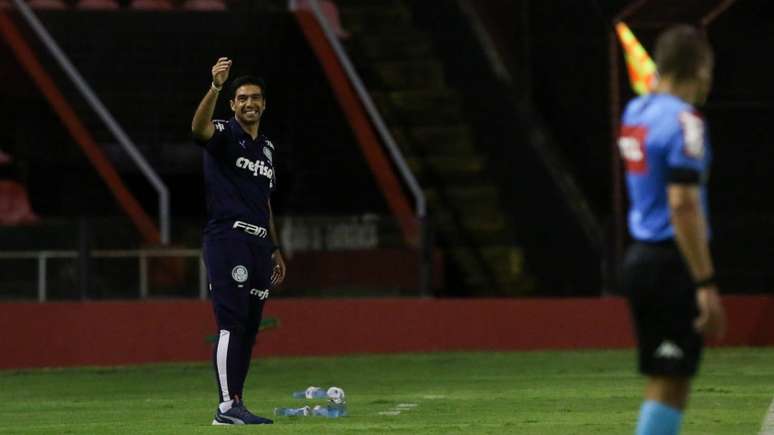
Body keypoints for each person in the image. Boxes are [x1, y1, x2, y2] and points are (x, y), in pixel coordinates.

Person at [618, 25, 727, 435]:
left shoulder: (635, 113)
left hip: (640, 257)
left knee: (672, 378)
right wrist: (705, 282)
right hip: (671, 262)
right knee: (669, 381)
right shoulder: (686, 123)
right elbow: (682, 204)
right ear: (699, 68)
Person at [191, 57, 286, 425]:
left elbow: (264, 201)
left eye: (255, 98)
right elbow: (197, 130)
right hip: (227, 238)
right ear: (233, 105)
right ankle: (225, 409)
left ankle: (237, 403)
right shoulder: (223, 133)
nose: (249, 103)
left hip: (260, 245)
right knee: (231, 323)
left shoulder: (267, 148)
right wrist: (215, 87)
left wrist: (275, 248)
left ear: (264, 103)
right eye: (242, 98)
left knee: (249, 327)